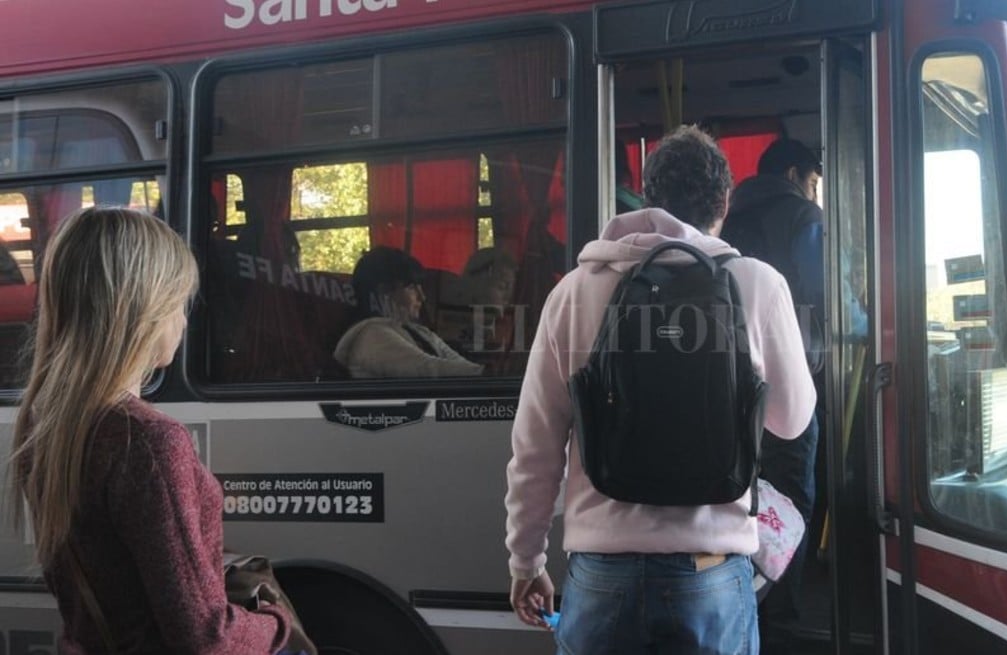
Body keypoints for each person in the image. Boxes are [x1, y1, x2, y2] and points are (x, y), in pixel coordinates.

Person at [504, 126, 816, 654]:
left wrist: (526, 561)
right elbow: (791, 420)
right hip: (711, 573)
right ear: (725, 201)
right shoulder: (758, 283)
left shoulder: (574, 293)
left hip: (602, 576)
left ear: (648, 198)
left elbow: (535, 447)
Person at [7, 207, 300, 654]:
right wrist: (276, 623)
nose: (183, 322)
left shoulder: (47, 427)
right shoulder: (147, 441)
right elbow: (206, 637)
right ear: (143, 308)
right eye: (179, 304)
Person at [721, 138, 865, 650]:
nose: (813, 190)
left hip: (726, 389)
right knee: (792, 500)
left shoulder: (726, 215)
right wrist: (868, 323)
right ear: (793, 174)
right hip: (788, 380)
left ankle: (742, 597)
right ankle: (782, 612)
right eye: (812, 180)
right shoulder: (803, 216)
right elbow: (832, 296)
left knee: (740, 496)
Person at [333, 246, 484, 378]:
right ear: (384, 291)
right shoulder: (372, 335)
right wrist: (488, 375)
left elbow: (461, 365)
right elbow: (429, 370)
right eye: (411, 288)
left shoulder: (418, 331)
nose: (422, 297)